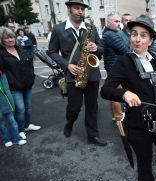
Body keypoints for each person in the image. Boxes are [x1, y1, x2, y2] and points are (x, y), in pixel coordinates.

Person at [100, 15, 156, 181]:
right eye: (134, 34)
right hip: (138, 123)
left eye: (143, 35)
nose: (137, 39)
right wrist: (124, 94)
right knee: (145, 162)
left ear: (151, 40)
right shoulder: (124, 61)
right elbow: (105, 90)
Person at [48, 0, 107, 146]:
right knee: (74, 108)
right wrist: (66, 65)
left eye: (82, 9)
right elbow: (52, 51)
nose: (80, 11)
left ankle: (93, 135)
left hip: (92, 74)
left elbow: (101, 48)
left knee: (92, 107)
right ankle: (69, 123)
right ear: (69, 9)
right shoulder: (58, 29)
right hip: (72, 74)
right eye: (77, 8)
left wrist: (96, 48)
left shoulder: (90, 28)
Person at [0, 27, 40, 140]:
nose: (10, 40)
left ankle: (27, 125)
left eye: (12, 37)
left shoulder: (20, 49)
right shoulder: (1, 53)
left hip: (27, 83)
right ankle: (21, 129)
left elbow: (29, 64)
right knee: (20, 109)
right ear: (2, 40)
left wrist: (32, 77)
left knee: (27, 106)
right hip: (14, 86)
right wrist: (12, 81)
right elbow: (3, 72)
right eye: (6, 38)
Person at [101, 13, 129, 122]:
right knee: (117, 93)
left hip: (111, 66)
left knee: (112, 92)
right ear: (108, 22)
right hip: (115, 68)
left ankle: (115, 115)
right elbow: (125, 49)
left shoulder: (109, 33)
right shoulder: (110, 35)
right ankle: (119, 117)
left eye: (119, 21)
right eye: (116, 21)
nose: (119, 24)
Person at [0, 71, 27, 147]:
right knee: (1, 124)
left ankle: (16, 138)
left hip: (5, 102)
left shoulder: (2, 75)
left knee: (12, 121)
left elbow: (6, 90)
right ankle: (6, 139)